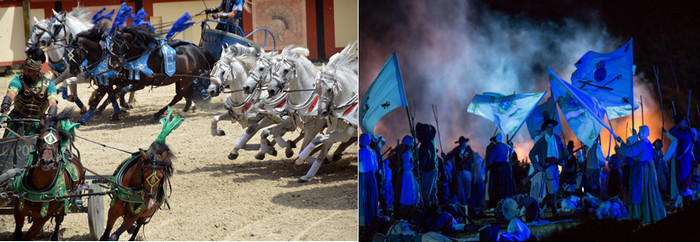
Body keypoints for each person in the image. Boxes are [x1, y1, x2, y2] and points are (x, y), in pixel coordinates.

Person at [2, 46, 58, 138]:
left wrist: (50, 116)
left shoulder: (49, 85)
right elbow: (11, 94)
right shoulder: (18, 80)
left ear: (37, 71)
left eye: (29, 71)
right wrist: (5, 107)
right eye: (24, 69)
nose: (25, 73)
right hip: (17, 122)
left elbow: (52, 103)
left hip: (38, 123)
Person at [616, 125, 667, 223]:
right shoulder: (648, 144)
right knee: (647, 191)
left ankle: (638, 215)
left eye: (640, 132)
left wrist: (621, 142)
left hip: (639, 170)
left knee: (638, 191)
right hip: (647, 171)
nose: (638, 133)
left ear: (643, 132)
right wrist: (634, 135)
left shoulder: (641, 144)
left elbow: (629, 151)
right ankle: (648, 212)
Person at [528, 119, 569, 217]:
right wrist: (537, 166)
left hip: (556, 166)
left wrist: (567, 157)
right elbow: (531, 154)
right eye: (549, 127)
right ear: (546, 128)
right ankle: (554, 212)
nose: (551, 129)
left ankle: (541, 205)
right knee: (552, 189)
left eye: (552, 127)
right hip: (547, 166)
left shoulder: (558, 139)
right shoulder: (542, 141)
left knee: (554, 190)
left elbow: (564, 150)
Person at [666, 113, 695, 207]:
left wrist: (679, 125)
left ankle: (687, 207)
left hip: (683, 162)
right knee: (685, 182)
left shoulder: (685, 133)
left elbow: (671, 131)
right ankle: (686, 204)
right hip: (686, 160)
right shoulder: (688, 132)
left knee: (683, 182)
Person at [486, 133, 516, 208]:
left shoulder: (494, 148)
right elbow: (512, 150)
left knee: (499, 187)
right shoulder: (506, 146)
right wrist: (511, 146)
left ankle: (500, 204)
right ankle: (508, 202)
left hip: (498, 168)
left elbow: (490, 160)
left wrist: (488, 167)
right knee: (507, 186)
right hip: (507, 167)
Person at [441, 136, 474, 205]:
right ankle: (461, 204)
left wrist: (463, 159)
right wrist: (445, 157)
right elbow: (450, 155)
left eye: (462, 142)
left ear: (465, 142)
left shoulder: (468, 149)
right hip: (459, 171)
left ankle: (468, 204)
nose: (461, 144)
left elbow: (472, 160)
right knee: (459, 189)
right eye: (460, 143)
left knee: (468, 189)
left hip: (467, 172)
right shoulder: (457, 149)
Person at [396, 135, 420, 220]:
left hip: (409, 176)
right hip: (407, 177)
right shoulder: (406, 153)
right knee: (407, 195)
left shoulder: (408, 152)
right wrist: (414, 164)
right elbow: (406, 167)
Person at [416, 123, 439, 208]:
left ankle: (427, 209)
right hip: (433, 169)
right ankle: (434, 207)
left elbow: (425, 158)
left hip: (428, 170)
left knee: (425, 192)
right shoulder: (432, 142)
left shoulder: (425, 145)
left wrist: (420, 167)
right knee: (433, 191)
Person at [358, 133, 378, 229]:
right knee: (369, 198)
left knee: (362, 198)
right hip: (370, 177)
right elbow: (375, 167)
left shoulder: (361, 153)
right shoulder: (371, 153)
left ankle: (362, 222)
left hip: (363, 178)